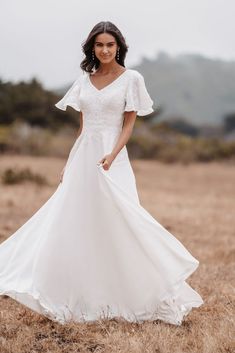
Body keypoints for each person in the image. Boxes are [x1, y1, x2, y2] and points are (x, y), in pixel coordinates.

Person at [0, 21, 204, 326]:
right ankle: (79, 291)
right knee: (76, 220)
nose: (105, 50)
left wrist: (113, 154)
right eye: (99, 45)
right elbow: (82, 128)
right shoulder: (84, 80)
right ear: (92, 48)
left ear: (119, 46)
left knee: (122, 219)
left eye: (110, 44)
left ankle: (139, 290)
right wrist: (69, 163)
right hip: (84, 157)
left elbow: (129, 124)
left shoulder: (131, 78)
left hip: (113, 157)